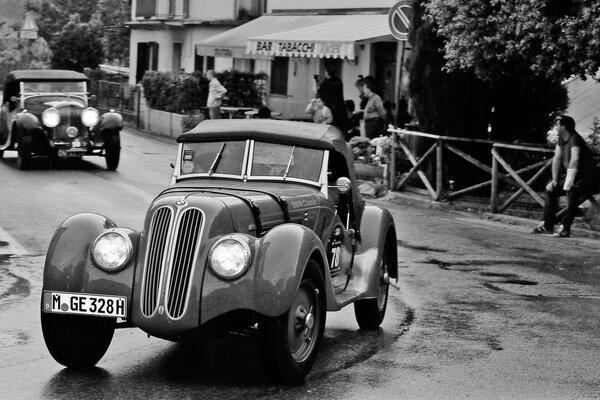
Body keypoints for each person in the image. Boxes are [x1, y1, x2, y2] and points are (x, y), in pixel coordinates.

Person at [533, 115, 600, 237]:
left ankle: (565, 227)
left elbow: (575, 159)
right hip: (575, 177)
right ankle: (547, 225)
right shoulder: (561, 140)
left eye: (557, 125)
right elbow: (557, 160)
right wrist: (554, 180)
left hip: (590, 179)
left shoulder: (575, 138)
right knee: (551, 190)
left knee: (573, 191)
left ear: (563, 127)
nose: (555, 127)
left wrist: (568, 182)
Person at [317, 65, 349, 133]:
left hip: (330, 108)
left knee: (331, 129)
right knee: (340, 128)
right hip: (340, 107)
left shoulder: (326, 83)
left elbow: (319, 92)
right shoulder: (339, 81)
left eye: (325, 71)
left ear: (327, 72)